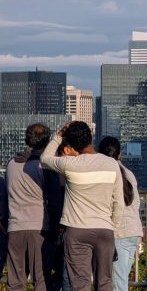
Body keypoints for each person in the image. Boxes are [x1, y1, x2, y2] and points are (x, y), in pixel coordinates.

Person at [41, 121, 124, 291]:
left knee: (79, 283)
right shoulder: (112, 164)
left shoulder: (70, 164)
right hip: (104, 229)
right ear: (91, 137)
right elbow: (118, 203)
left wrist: (58, 136)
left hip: (76, 229)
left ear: (70, 143)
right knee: (105, 282)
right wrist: (112, 227)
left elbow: (45, 158)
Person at [5, 123, 63, 291]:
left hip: (15, 227)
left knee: (15, 281)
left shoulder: (11, 164)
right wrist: (55, 230)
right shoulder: (45, 165)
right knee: (41, 278)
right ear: (47, 141)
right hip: (40, 228)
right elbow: (54, 201)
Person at [98, 137, 142, 291]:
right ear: (119, 155)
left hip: (119, 233)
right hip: (133, 231)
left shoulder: (105, 173)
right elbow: (136, 203)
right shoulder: (128, 173)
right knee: (121, 279)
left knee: (117, 283)